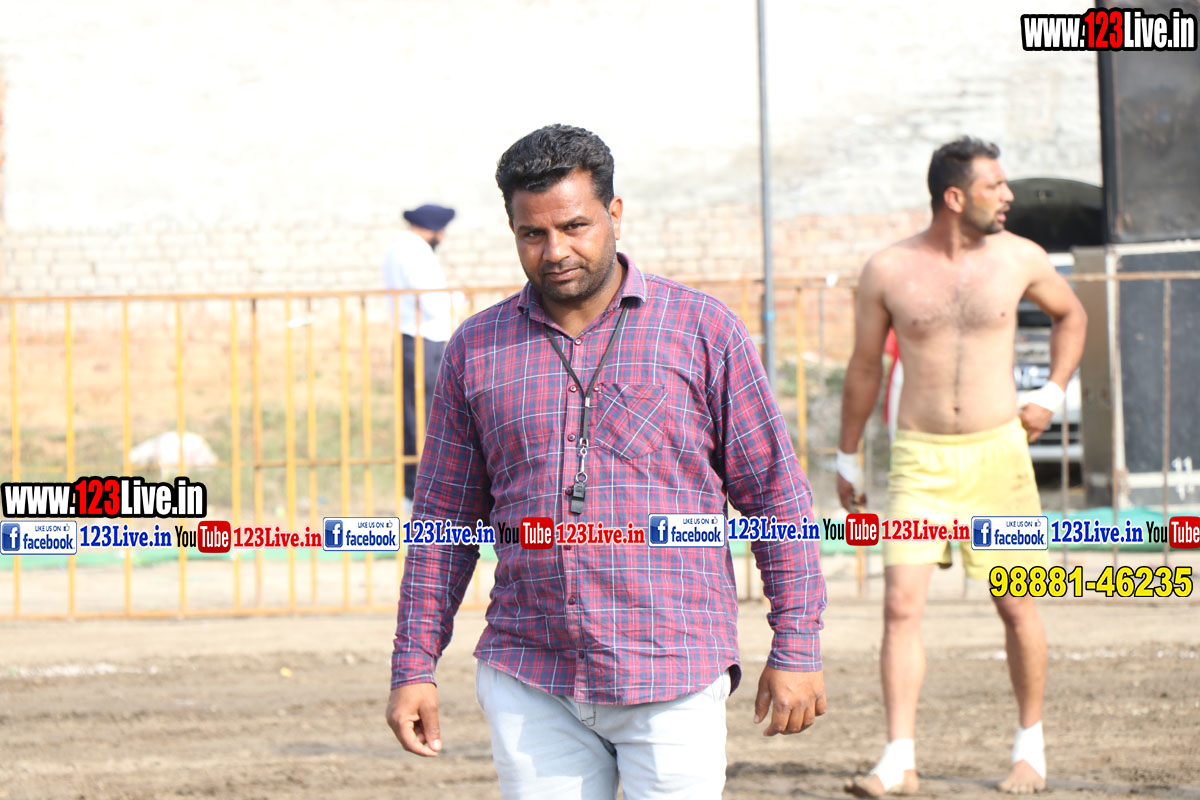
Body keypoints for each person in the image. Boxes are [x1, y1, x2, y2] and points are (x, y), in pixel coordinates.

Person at [386, 124, 827, 798]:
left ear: (614, 213)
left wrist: (796, 645)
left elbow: (776, 498)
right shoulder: (478, 349)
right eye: (532, 234)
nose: (555, 251)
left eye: (574, 226)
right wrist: (413, 666)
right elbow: (441, 524)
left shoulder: (702, 331)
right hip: (530, 676)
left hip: (674, 670)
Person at [836, 137, 1087, 797]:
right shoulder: (889, 268)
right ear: (954, 196)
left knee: (1018, 609)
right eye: (994, 186)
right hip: (920, 461)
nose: (1008, 196)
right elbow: (864, 366)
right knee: (899, 606)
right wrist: (847, 455)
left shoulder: (1020, 257)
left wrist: (1050, 394)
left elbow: (1072, 316)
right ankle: (899, 760)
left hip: (999, 457)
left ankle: (1030, 750)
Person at [383, 203, 456, 508]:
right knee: (428, 419)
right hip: (425, 340)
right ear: (434, 230)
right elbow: (433, 302)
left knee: (414, 417)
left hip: (410, 338)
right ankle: (423, 496)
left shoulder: (397, 248)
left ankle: (412, 493)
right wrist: (455, 300)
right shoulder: (415, 252)